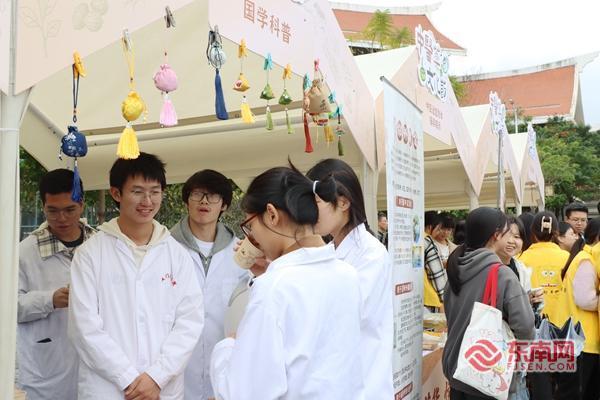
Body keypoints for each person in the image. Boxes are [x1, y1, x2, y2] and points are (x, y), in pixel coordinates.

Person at [210, 166, 364, 399]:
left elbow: (243, 392)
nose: (253, 237)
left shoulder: (273, 287)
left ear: (271, 215)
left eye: (251, 225)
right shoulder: (347, 274)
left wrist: (227, 347)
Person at [68, 153, 204, 399]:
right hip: (108, 388)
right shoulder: (90, 254)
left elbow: (189, 322)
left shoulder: (176, 254)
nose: (147, 201)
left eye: (155, 192)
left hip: (162, 388)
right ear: (116, 193)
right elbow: (84, 327)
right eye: (138, 191)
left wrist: (156, 377)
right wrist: (128, 378)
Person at [306, 158, 393, 399]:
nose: (308, 212)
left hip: (363, 384)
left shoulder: (371, 254)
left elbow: (341, 315)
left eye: (315, 203)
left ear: (343, 202)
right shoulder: (333, 248)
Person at [16, 169, 95, 400]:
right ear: (43, 206)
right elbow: (8, 307)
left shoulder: (99, 245)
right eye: (53, 210)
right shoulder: (24, 252)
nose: (62, 218)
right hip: (46, 368)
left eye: (70, 209)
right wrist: (49, 300)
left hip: (95, 363)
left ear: (82, 205)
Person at [170, 169, 248, 400]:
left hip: (224, 363)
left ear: (224, 205)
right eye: (197, 194)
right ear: (186, 201)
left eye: (213, 196)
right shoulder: (165, 248)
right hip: (176, 366)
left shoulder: (240, 253)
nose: (204, 201)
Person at [442, 207, 535, 400]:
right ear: (496, 235)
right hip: (487, 377)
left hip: (456, 372)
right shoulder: (502, 275)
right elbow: (526, 329)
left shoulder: (455, 269)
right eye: (507, 232)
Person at [557, 218, 600, 400]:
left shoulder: (585, 257)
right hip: (582, 341)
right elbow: (584, 299)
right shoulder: (586, 260)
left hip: (581, 340)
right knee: (577, 393)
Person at [518, 211, 570, 327]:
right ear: (556, 233)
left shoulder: (521, 259)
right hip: (562, 324)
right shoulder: (567, 258)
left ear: (532, 232)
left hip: (533, 323)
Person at [424, 211, 447, 312]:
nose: (438, 233)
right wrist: (444, 298)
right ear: (430, 227)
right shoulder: (428, 242)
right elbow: (436, 273)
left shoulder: (409, 240)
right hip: (429, 299)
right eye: (438, 229)